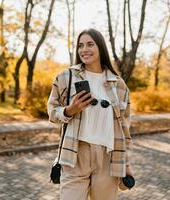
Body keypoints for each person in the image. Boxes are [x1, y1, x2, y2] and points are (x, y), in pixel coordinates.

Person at [47, 28, 133, 200]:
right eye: (80, 45)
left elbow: (125, 127)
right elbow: (52, 111)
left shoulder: (119, 84)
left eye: (90, 44)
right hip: (75, 154)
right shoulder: (67, 77)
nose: (84, 49)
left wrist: (126, 162)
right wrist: (70, 110)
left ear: (100, 47)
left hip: (108, 157)